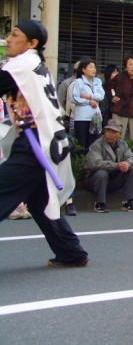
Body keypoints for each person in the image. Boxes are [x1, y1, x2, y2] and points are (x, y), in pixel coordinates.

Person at [0, 19, 89, 267]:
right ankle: (71, 253)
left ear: (32, 43)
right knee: (40, 201)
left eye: (14, 35)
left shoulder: (22, 65)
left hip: (35, 146)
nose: (8, 38)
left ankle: (71, 253)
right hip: (46, 143)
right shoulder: (35, 65)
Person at [84, 119, 133, 213]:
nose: (110, 134)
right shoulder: (96, 145)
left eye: (114, 132)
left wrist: (127, 164)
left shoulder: (123, 144)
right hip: (94, 181)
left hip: (112, 180)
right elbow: (95, 163)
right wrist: (117, 165)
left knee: (132, 171)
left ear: (120, 135)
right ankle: (100, 203)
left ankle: (129, 202)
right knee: (102, 173)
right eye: (108, 130)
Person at [111, 55, 133, 145]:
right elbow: (108, 88)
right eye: (130, 64)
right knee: (117, 139)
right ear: (125, 67)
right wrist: (113, 96)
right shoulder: (119, 77)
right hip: (120, 111)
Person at [71, 58, 105, 152]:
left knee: (94, 144)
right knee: (82, 144)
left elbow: (101, 96)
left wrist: (88, 96)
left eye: (94, 67)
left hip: (96, 117)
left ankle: (93, 164)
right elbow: (75, 98)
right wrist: (89, 102)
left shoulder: (98, 81)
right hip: (82, 117)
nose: (94, 69)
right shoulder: (78, 82)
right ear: (83, 69)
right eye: (90, 67)